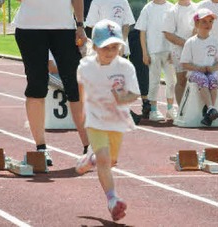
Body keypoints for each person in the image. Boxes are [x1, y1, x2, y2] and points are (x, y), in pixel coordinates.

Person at [75, 19, 139, 221]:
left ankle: (90, 159)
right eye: (105, 48)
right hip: (95, 118)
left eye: (114, 47)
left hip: (117, 119)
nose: (110, 52)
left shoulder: (126, 67)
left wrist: (123, 98)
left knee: (110, 161)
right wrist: (83, 111)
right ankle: (112, 200)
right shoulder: (85, 66)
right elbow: (81, 89)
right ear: (94, 47)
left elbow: (134, 94)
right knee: (104, 158)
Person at [13, 0, 90, 162]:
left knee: (75, 86)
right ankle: (41, 148)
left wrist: (80, 25)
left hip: (65, 29)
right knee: (37, 86)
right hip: (30, 28)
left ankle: (89, 147)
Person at [180, 8, 218, 126]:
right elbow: (184, 63)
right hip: (194, 73)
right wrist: (198, 68)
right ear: (197, 24)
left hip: (211, 72)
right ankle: (211, 109)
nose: (208, 24)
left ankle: (209, 112)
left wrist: (213, 68)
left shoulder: (216, 41)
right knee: (203, 79)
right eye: (204, 22)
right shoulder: (190, 42)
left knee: (213, 80)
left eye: (210, 21)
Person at [137, 0, 176, 121]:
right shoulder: (147, 9)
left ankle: (170, 109)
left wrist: (173, 50)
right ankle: (153, 110)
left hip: (169, 51)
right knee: (154, 81)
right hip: (153, 51)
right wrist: (144, 52)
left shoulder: (171, 8)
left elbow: (175, 30)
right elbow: (142, 32)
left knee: (172, 81)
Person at [162, 0, 197, 107]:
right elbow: (168, 34)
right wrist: (187, 44)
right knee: (181, 80)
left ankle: (197, 110)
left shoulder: (198, 8)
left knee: (198, 80)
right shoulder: (172, 11)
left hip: (197, 49)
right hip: (179, 50)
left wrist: (195, 42)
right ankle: (182, 110)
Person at [127, 0, 151, 121]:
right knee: (118, 69)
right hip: (119, 31)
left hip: (139, 32)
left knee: (141, 66)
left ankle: (146, 101)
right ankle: (123, 107)